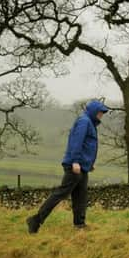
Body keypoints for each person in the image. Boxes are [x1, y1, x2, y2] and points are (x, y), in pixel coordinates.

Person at [26, 99, 108, 233]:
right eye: (100, 112)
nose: (101, 115)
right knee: (60, 194)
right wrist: (75, 161)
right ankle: (35, 220)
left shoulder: (89, 123)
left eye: (102, 113)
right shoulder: (84, 122)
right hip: (75, 166)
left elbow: (87, 146)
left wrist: (88, 164)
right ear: (93, 111)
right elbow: (76, 142)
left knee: (80, 196)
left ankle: (79, 224)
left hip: (82, 166)